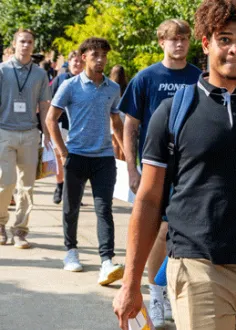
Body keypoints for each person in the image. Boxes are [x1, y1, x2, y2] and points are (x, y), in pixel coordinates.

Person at [113, 1, 236, 329]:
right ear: (206, 43)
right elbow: (148, 200)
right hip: (197, 269)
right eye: (225, 39)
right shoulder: (173, 110)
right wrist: (130, 283)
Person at [116, 18, 201, 328]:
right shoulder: (146, 78)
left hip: (191, 168)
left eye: (183, 39)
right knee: (159, 230)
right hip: (157, 167)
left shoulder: (199, 77)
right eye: (172, 39)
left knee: (184, 231)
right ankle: (156, 291)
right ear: (161, 42)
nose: (178, 44)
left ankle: (175, 288)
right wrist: (132, 168)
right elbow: (131, 125)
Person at [46, 37, 125, 286]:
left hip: (103, 158)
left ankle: (106, 261)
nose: (100, 59)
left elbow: (116, 122)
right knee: (71, 207)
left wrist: (127, 154)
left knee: (104, 210)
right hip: (76, 156)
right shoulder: (70, 86)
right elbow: (51, 119)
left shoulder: (113, 88)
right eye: (95, 55)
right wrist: (62, 152)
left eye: (104, 55)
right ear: (83, 57)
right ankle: (71, 251)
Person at [0, 29, 51, 248]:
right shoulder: (2, 70)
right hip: (5, 131)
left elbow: (44, 105)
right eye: (22, 41)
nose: (26, 45)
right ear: (14, 44)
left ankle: (20, 230)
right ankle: (1, 224)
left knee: (27, 186)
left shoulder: (40, 74)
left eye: (30, 42)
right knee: (6, 182)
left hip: (30, 133)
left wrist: (47, 133)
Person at [50, 50, 85, 204]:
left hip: (79, 126)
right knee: (60, 156)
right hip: (61, 123)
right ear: (69, 62)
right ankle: (60, 185)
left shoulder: (86, 80)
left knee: (77, 159)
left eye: (80, 61)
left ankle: (75, 191)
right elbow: (51, 101)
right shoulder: (62, 79)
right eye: (74, 61)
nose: (77, 64)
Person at [108, 64, 127, 160]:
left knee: (114, 142)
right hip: (123, 115)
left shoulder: (109, 87)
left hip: (113, 116)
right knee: (123, 142)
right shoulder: (126, 87)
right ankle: (123, 162)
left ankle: (116, 163)